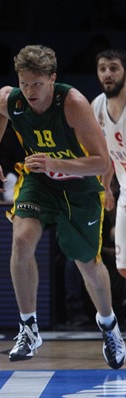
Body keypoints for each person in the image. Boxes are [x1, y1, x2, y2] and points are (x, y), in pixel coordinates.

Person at [0, 44, 125, 369]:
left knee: (86, 263)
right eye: (24, 84)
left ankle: (108, 325)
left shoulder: (73, 103)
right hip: (40, 180)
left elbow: (101, 162)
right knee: (21, 240)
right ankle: (28, 327)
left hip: (79, 186)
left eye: (37, 84)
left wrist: (56, 162)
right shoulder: (13, 99)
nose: (30, 92)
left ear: (52, 79)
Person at [93, 48, 126, 280]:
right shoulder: (97, 106)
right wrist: (105, 188)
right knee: (123, 267)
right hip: (124, 191)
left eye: (113, 68)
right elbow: (105, 153)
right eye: (102, 69)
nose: (108, 74)